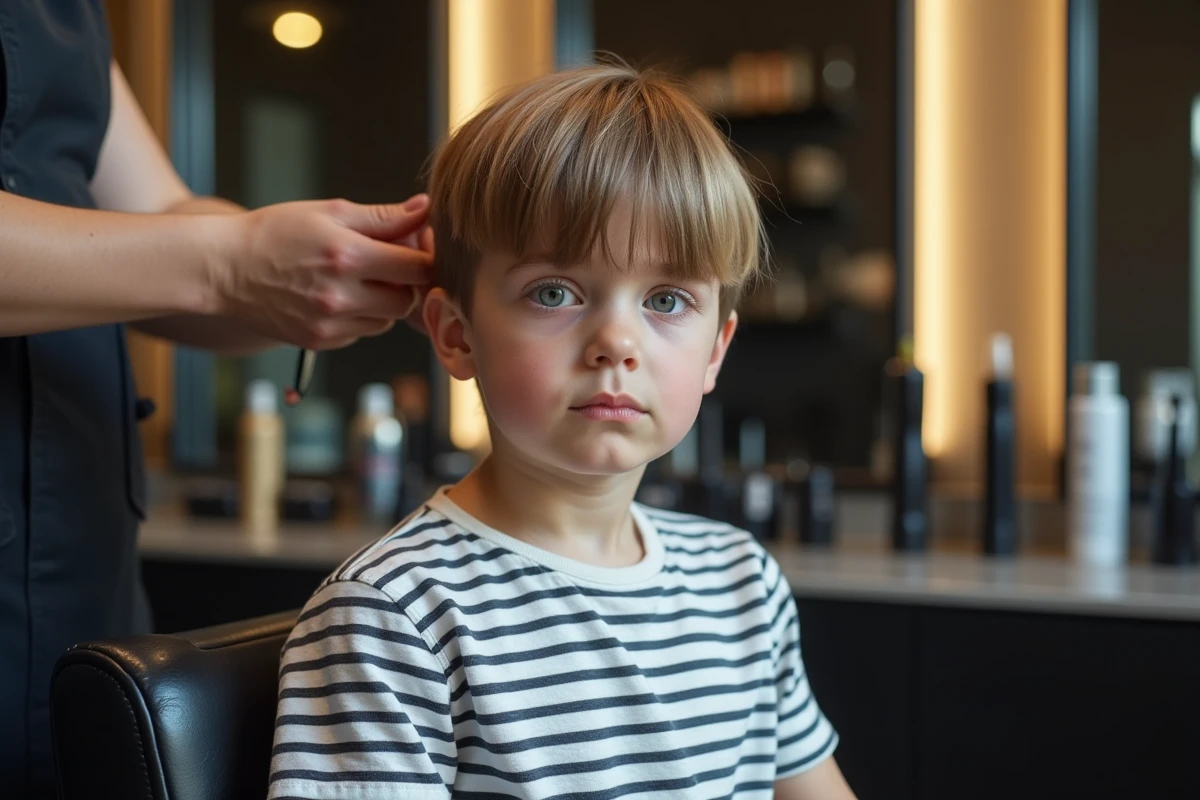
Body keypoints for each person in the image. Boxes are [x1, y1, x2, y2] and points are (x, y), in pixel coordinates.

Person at [268, 63, 857, 799]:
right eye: (555, 292)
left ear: (715, 350)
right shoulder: (396, 615)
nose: (617, 341)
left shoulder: (741, 584)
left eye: (667, 300)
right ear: (455, 335)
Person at [0, 4, 433, 797]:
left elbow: (161, 219)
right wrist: (231, 262)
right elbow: (198, 259)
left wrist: (311, 267)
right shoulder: (392, 610)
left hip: (80, 558)